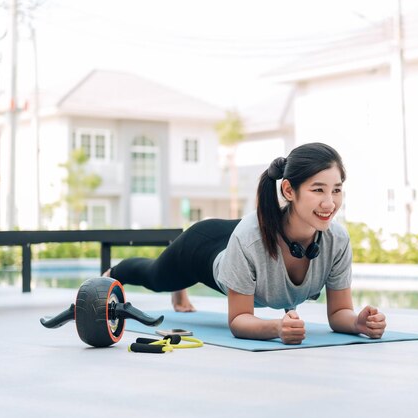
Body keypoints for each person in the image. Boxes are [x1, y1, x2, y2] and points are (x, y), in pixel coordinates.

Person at [106, 142, 386, 345]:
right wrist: (277, 328)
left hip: (252, 234)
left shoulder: (336, 240)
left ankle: (179, 291)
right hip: (204, 245)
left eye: (336, 190)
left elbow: (338, 313)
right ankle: (115, 273)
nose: (330, 203)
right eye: (318, 190)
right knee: (156, 276)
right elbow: (239, 319)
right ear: (289, 190)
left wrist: (357, 323)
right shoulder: (249, 238)